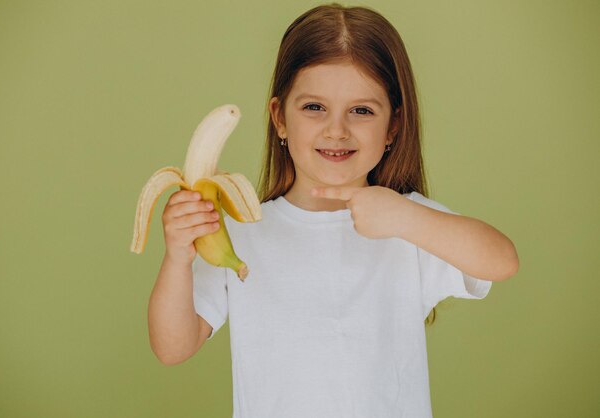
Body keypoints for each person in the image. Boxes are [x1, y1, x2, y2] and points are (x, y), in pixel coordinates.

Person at [147, 3, 519, 417]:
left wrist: (405, 217)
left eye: (361, 110)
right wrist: (178, 257)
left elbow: (501, 261)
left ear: (393, 126)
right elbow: (173, 347)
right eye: (314, 107)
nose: (336, 129)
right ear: (280, 119)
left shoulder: (409, 222)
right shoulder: (241, 231)